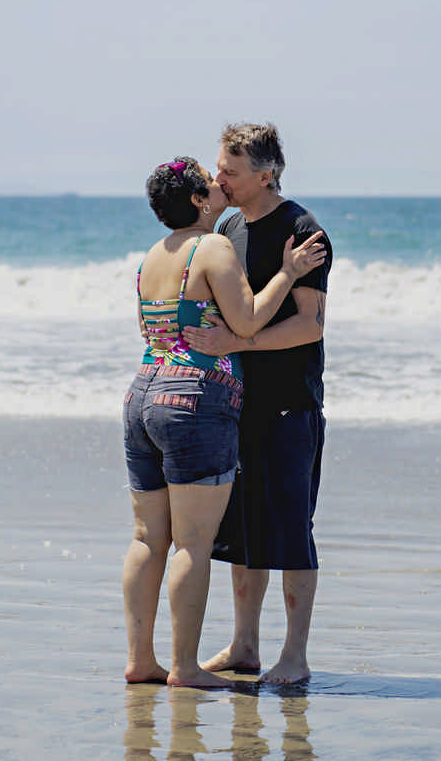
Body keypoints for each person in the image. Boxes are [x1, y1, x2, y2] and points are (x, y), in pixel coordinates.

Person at [122, 155, 325, 689]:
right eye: (211, 182)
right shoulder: (212, 246)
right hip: (192, 399)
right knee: (192, 543)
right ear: (196, 200)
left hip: (142, 393)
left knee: (147, 540)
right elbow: (248, 320)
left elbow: (151, 327)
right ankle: (185, 668)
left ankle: (141, 660)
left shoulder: (152, 255)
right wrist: (288, 272)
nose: (219, 185)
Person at [182, 123, 332, 686]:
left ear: (266, 175)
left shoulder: (303, 230)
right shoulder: (227, 227)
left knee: (291, 532)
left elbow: (309, 326)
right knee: (242, 533)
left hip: (291, 404)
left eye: (231, 171)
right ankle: (244, 646)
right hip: (237, 402)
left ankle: (294, 656)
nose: (218, 178)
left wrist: (235, 343)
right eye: (219, 167)